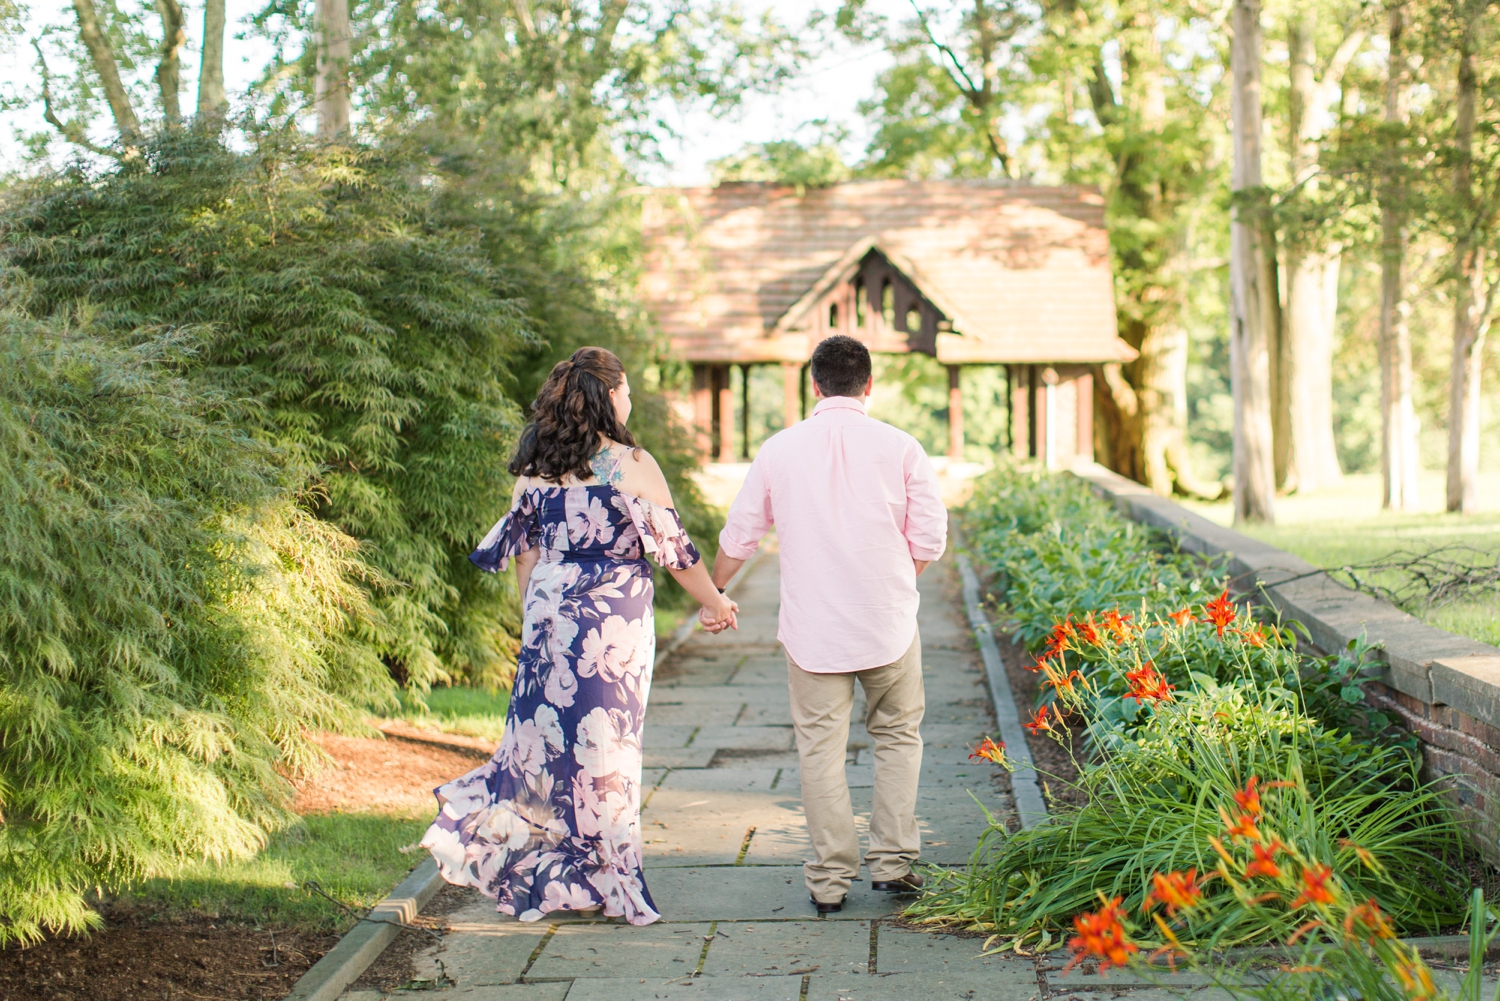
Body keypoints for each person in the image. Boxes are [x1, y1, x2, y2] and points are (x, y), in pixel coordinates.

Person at [420, 347, 738, 926]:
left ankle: (545, 879)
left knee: (543, 747)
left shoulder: (537, 466)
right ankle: (609, 878)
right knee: (605, 747)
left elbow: (524, 556)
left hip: (549, 609)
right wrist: (715, 603)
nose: (631, 398)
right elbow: (674, 551)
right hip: (610, 621)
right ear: (610, 395)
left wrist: (537, 617)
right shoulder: (631, 463)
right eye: (627, 389)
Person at [706, 335, 947, 914]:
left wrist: (714, 593)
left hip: (813, 630)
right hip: (888, 625)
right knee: (896, 738)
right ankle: (892, 865)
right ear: (868, 385)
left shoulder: (780, 449)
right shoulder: (902, 447)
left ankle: (829, 881)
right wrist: (895, 582)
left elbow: (740, 535)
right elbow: (930, 538)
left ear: (814, 385)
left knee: (819, 750)